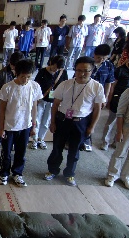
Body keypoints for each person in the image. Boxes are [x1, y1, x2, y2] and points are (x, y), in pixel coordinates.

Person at [45, 56, 106, 186]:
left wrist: (92, 127)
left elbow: (97, 109)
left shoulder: (97, 87)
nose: (82, 73)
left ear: (92, 70)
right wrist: (53, 122)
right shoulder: (65, 84)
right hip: (62, 120)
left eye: (86, 70)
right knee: (57, 147)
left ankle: (69, 174)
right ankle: (52, 170)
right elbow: (55, 104)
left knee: (75, 150)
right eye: (78, 70)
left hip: (81, 122)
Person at [0, 59, 43, 187]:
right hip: (9, 126)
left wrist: (34, 125)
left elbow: (34, 108)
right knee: (6, 153)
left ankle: (17, 173)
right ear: (16, 74)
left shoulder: (34, 86)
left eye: (28, 77)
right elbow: (2, 110)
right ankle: (4, 173)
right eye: (23, 76)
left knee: (21, 152)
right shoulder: (7, 88)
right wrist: (1, 128)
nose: (26, 80)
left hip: (25, 126)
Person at [101, 48, 129, 151]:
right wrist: (109, 99)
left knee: (123, 123)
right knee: (111, 122)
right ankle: (105, 142)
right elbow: (113, 86)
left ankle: (116, 142)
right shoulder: (120, 70)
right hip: (118, 99)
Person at [31, 55, 68, 149]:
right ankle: (34, 139)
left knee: (47, 120)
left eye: (58, 68)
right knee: (37, 119)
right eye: (55, 67)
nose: (56, 70)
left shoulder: (63, 72)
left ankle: (41, 138)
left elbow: (65, 86)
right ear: (51, 63)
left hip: (54, 101)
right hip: (41, 99)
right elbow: (36, 85)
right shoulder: (42, 71)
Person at [0, 51, 24, 150]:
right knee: (0, 122)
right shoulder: (3, 72)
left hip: (16, 103)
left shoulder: (22, 73)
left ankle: (12, 142)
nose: (14, 68)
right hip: (3, 101)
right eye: (13, 65)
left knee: (14, 122)